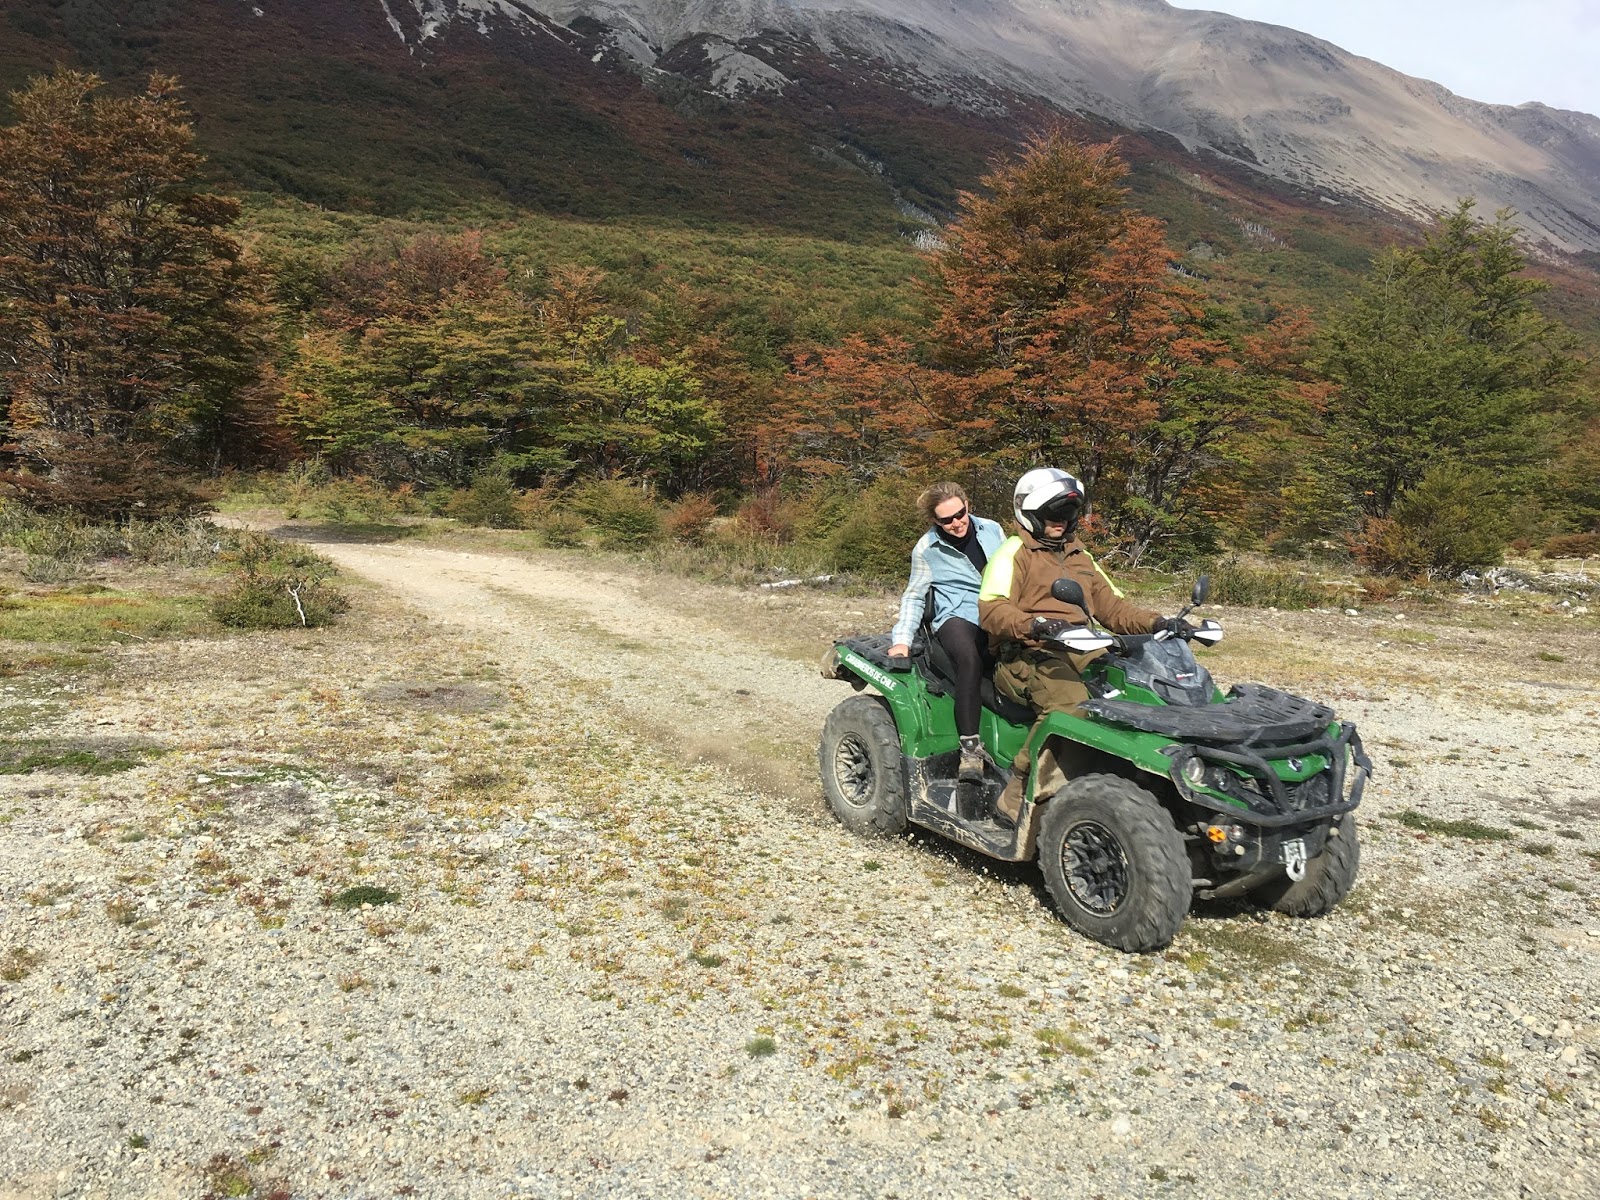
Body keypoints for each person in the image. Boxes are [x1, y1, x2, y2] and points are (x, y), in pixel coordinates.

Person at [978, 468, 1193, 826]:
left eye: (1067, 513)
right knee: (1070, 704)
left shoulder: (1081, 557)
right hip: (1026, 653)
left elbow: (1114, 608)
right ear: (1029, 514)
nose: (1061, 521)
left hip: (1081, 645)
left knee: (1141, 690)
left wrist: (1160, 622)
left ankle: (1149, 782)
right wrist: (1036, 624)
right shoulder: (1014, 552)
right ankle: (1015, 792)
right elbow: (992, 610)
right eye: (1052, 514)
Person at [888, 482, 1007, 784]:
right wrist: (901, 641)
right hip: (957, 614)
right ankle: (970, 749)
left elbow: (1012, 573)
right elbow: (914, 596)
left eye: (960, 514)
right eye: (947, 520)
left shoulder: (992, 530)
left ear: (968, 505)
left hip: (997, 609)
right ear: (935, 521)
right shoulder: (927, 549)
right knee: (969, 658)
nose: (956, 523)